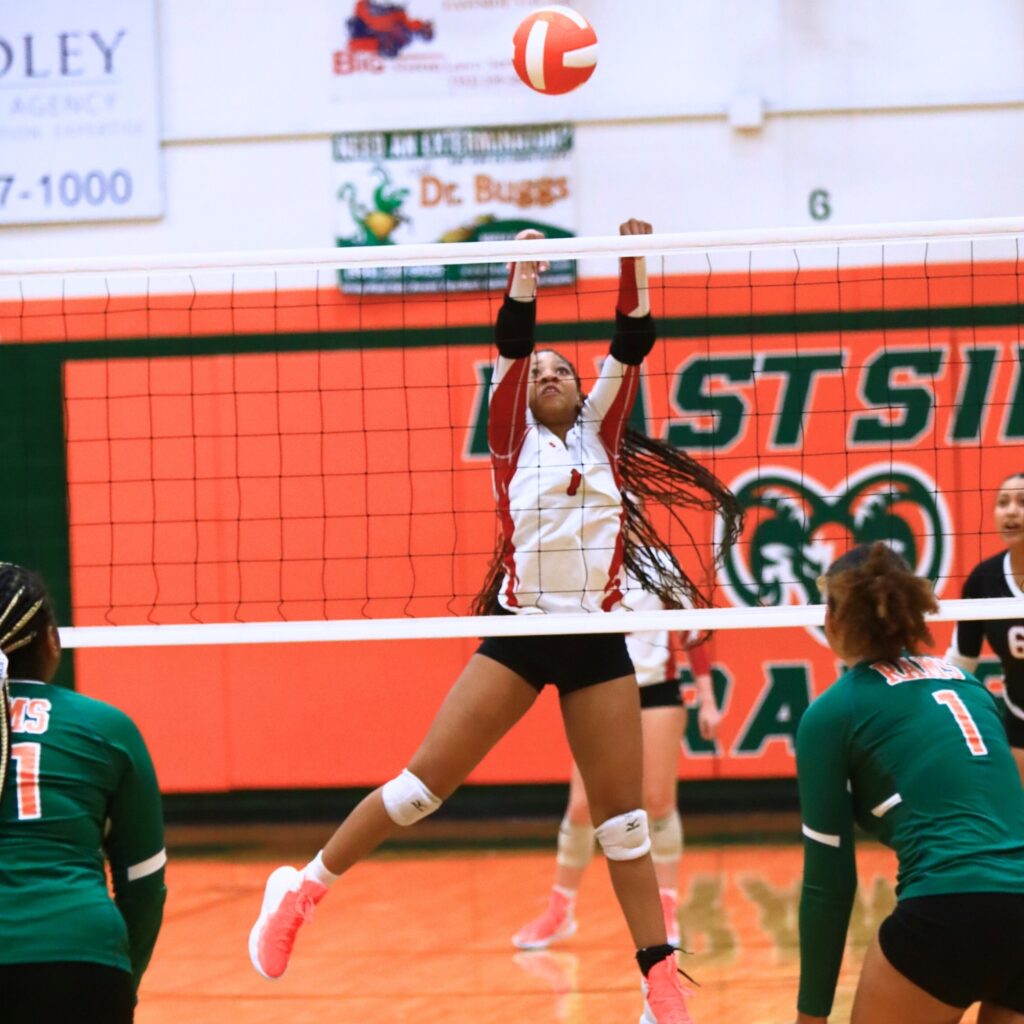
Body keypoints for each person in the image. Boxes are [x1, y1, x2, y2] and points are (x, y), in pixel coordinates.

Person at [248, 219, 741, 1024]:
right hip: (522, 633)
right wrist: (523, 273)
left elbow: (634, 336)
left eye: (561, 370)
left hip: (594, 641)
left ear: (584, 392)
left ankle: (657, 985)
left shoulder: (602, 437)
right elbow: (514, 340)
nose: (547, 372)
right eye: (538, 367)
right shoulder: (510, 439)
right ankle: (300, 894)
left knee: (623, 824)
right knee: (417, 792)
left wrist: (632, 259)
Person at [794, 542, 1024, 1024]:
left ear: (832, 620)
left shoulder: (833, 713)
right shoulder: (972, 688)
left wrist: (810, 1017)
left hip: (947, 913)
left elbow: (828, 886)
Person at [0, 563, 167, 1024]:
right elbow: (144, 884)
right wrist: (118, 982)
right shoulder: (107, 729)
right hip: (81, 961)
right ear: (52, 639)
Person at [512, 592, 721, 952]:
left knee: (658, 803)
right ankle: (560, 910)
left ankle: (666, 905)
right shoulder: (594, 557)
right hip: (601, 690)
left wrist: (708, 699)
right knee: (580, 807)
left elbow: (691, 633)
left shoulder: (661, 566)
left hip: (656, 692)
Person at [947, 470, 1024, 783]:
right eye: (1002, 502)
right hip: (1019, 718)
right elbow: (961, 663)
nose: (1011, 511)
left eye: (1022, 502)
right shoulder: (984, 579)